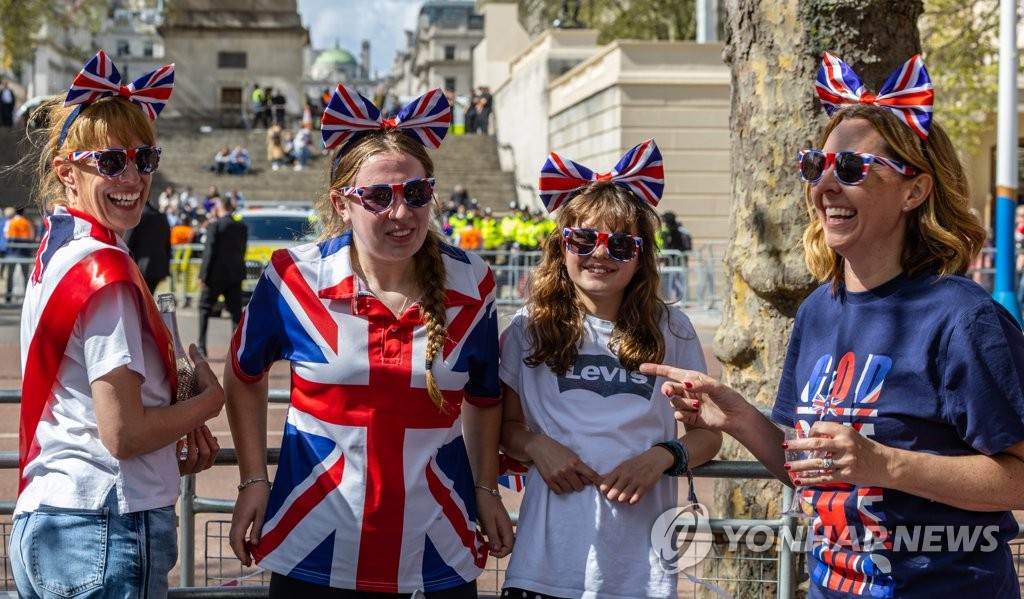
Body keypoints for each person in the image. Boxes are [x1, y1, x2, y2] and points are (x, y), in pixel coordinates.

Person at [643, 53, 1024, 598]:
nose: (825, 185)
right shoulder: (819, 310)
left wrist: (882, 462)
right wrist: (737, 418)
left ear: (915, 190)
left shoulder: (964, 318)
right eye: (814, 166)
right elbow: (815, 471)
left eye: (851, 169)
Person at [224, 84, 514, 596]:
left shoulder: (475, 283)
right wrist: (253, 478)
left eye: (416, 194)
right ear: (342, 203)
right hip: (312, 543)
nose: (401, 214)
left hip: (438, 548)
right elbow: (243, 376)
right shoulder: (292, 277)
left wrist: (487, 486)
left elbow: (486, 398)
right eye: (378, 197)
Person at [10, 50, 224, 598]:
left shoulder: (58, 249)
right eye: (110, 162)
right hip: (106, 521)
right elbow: (124, 434)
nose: (132, 177)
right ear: (67, 172)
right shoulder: (104, 268)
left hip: (50, 515)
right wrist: (207, 402)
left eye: (144, 158)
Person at [498, 140, 721, 599]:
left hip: (640, 572)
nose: (600, 254)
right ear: (562, 247)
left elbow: (709, 435)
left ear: (641, 256)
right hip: (544, 565)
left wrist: (660, 458)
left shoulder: (672, 329)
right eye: (584, 239)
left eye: (621, 244)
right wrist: (538, 446)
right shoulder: (528, 328)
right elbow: (503, 428)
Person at [197, 196, 247, 357]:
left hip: (215, 276)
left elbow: (209, 252)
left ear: (219, 208)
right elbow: (242, 250)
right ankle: (237, 348)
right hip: (234, 275)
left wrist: (203, 275)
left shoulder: (215, 226)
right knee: (235, 313)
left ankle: (202, 346)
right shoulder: (241, 227)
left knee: (204, 309)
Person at [125, 198, 172, 293]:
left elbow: (128, 244)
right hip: (158, 267)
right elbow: (167, 245)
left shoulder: (137, 216)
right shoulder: (162, 216)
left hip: (140, 268)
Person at [3, 206, 34, 302]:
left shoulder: (10, 222)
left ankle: (8, 297)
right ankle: (26, 297)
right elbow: (31, 236)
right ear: (23, 213)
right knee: (25, 276)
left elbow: (6, 235)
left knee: (10, 275)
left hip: (12, 253)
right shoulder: (27, 223)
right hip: (24, 252)